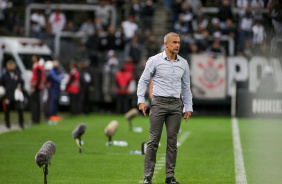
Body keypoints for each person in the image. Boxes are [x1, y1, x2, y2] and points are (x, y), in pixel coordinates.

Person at [137, 32, 193, 184]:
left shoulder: (184, 63)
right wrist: (141, 100)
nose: (177, 45)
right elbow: (143, 81)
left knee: (172, 142)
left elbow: (186, 88)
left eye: (178, 42)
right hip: (159, 103)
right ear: (166, 44)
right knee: (153, 141)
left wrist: (188, 107)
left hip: (176, 104)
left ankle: (170, 177)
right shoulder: (154, 60)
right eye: (174, 42)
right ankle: (147, 177)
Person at [0, 60, 24, 129]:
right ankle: (7, 124)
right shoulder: (5, 75)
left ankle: (21, 123)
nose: (10, 67)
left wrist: (21, 88)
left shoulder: (17, 73)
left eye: (11, 65)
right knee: (7, 110)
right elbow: (1, 84)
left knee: (20, 108)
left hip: (16, 95)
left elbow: (22, 82)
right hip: (8, 95)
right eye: (9, 66)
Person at [30, 55, 45, 124]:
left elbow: (38, 78)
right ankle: (37, 119)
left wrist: (34, 87)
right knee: (37, 103)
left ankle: (35, 119)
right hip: (38, 87)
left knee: (35, 104)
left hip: (36, 88)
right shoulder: (38, 66)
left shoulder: (37, 67)